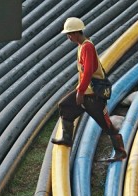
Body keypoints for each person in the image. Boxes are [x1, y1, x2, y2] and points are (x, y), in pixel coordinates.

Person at [51, 17, 127, 162]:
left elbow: (88, 72)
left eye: (69, 34)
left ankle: (120, 152)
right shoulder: (81, 46)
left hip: (93, 95)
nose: (68, 37)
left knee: (106, 125)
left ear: (76, 33)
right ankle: (67, 138)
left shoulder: (87, 47)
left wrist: (80, 92)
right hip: (86, 91)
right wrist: (80, 89)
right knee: (65, 105)